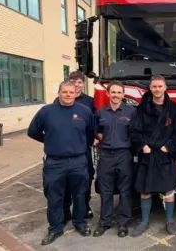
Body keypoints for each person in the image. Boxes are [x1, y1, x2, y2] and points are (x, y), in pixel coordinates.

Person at [27, 81, 94, 245]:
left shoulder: (84, 112)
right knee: (54, 197)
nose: (68, 95)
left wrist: (79, 146)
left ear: (76, 93)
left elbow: (90, 134)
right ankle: (55, 228)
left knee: (80, 195)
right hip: (54, 163)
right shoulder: (46, 111)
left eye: (71, 92)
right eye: (65, 92)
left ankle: (80, 223)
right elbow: (33, 131)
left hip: (78, 161)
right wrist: (50, 141)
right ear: (59, 93)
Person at [130, 75, 176, 237]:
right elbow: (134, 131)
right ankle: (144, 222)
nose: (157, 89)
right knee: (145, 190)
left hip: (165, 154)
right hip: (147, 154)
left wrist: (168, 147)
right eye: (154, 87)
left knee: (168, 190)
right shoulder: (141, 109)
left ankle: (169, 221)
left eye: (160, 86)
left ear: (165, 88)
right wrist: (143, 146)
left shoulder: (174, 108)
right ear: (150, 88)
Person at [92, 81, 136, 238]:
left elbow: (134, 134)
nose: (116, 95)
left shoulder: (131, 112)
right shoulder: (101, 113)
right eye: (113, 92)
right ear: (108, 94)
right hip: (106, 155)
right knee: (106, 190)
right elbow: (98, 132)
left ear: (123, 95)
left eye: (119, 92)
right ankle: (104, 222)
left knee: (125, 191)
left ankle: (123, 223)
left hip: (124, 155)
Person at [54, 71, 96, 222]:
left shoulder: (90, 101)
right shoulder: (57, 101)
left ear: (83, 84)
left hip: (83, 149)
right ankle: (66, 209)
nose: (77, 85)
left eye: (79, 82)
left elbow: (93, 126)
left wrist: (87, 143)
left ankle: (85, 206)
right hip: (64, 149)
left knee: (86, 177)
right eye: (73, 82)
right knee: (64, 180)